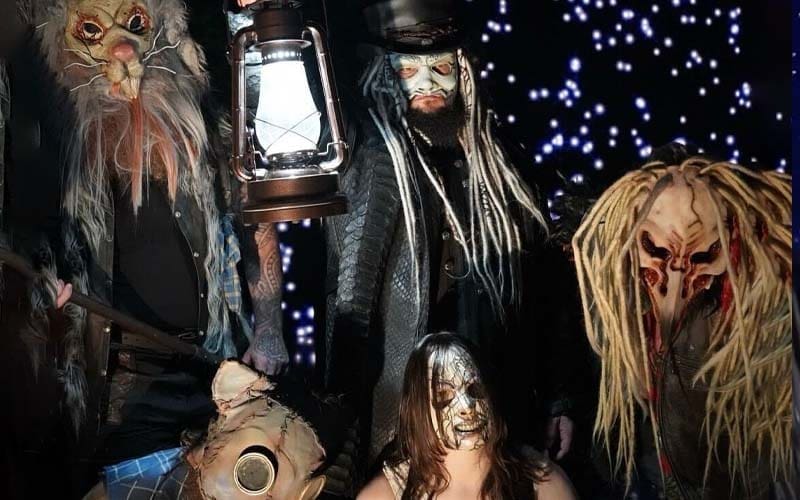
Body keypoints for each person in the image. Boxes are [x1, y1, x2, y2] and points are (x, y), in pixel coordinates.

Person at [0, 0, 285, 496]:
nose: (123, 48)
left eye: (135, 24)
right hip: (123, 392)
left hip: (216, 369)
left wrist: (269, 328)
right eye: (92, 31)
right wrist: (42, 294)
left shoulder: (204, 129)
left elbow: (255, 222)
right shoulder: (49, 153)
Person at [321, 0, 578, 474]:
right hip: (401, 415)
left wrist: (558, 398)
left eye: (440, 68)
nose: (427, 84)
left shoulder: (503, 167)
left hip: (498, 402)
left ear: (463, 70)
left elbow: (546, 292)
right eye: (408, 70)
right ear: (384, 73)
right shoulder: (370, 160)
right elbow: (351, 303)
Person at [572, 145, 792, 498]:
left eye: (703, 254)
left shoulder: (744, 314)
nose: (675, 282)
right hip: (643, 475)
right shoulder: (612, 302)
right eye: (656, 249)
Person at [357, 333, 576, 500]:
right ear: (418, 408)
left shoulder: (542, 482)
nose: (467, 407)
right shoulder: (386, 494)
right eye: (444, 395)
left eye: (474, 389)